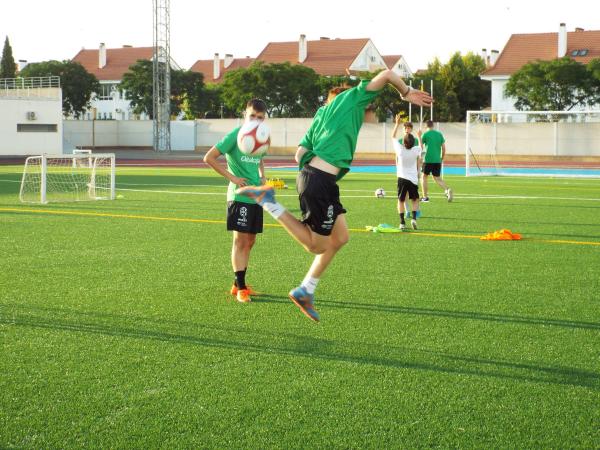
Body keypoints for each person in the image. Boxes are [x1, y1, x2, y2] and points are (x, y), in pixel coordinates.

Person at [236, 70, 432, 322]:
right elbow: (387, 74)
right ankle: (268, 202)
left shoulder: (321, 114)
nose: (365, 112)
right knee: (315, 244)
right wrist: (406, 92)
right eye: (365, 108)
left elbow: (299, 154)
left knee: (340, 237)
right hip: (318, 181)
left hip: (317, 179)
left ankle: (306, 289)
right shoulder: (352, 98)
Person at [203, 99, 269, 303]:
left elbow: (259, 158)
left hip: (255, 195)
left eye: (260, 118)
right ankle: (242, 288)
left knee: (251, 240)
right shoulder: (235, 135)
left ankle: (237, 283)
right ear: (244, 115)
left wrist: (262, 176)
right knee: (240, 241)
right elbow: (209, 157)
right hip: (239, 196)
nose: (256, 120)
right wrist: (232, 178)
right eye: (252, 116)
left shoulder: (261, 137)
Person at [392, 122, 422, 230]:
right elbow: (421, 147)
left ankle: (402, 222)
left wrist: (396, 124)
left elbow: (393, 136)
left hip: (402, 178)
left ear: (403, 142)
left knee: (400, 200)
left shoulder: (400, 150)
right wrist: (419, 136)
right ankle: (414, 218)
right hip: (413, 179)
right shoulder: (415, 150)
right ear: (413, 142)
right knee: (415, 199)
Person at [418, 120, 453, 202]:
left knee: (424, 177)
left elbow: (421, 147)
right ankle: (447, 189)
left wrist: (419, 137)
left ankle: (425, 197)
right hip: (437, 160)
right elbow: (444, 148)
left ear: (425, 126)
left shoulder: (425, 134)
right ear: (433, 126)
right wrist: (441, 158)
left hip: (428, 159)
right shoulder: (439, 134)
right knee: (437, 177)